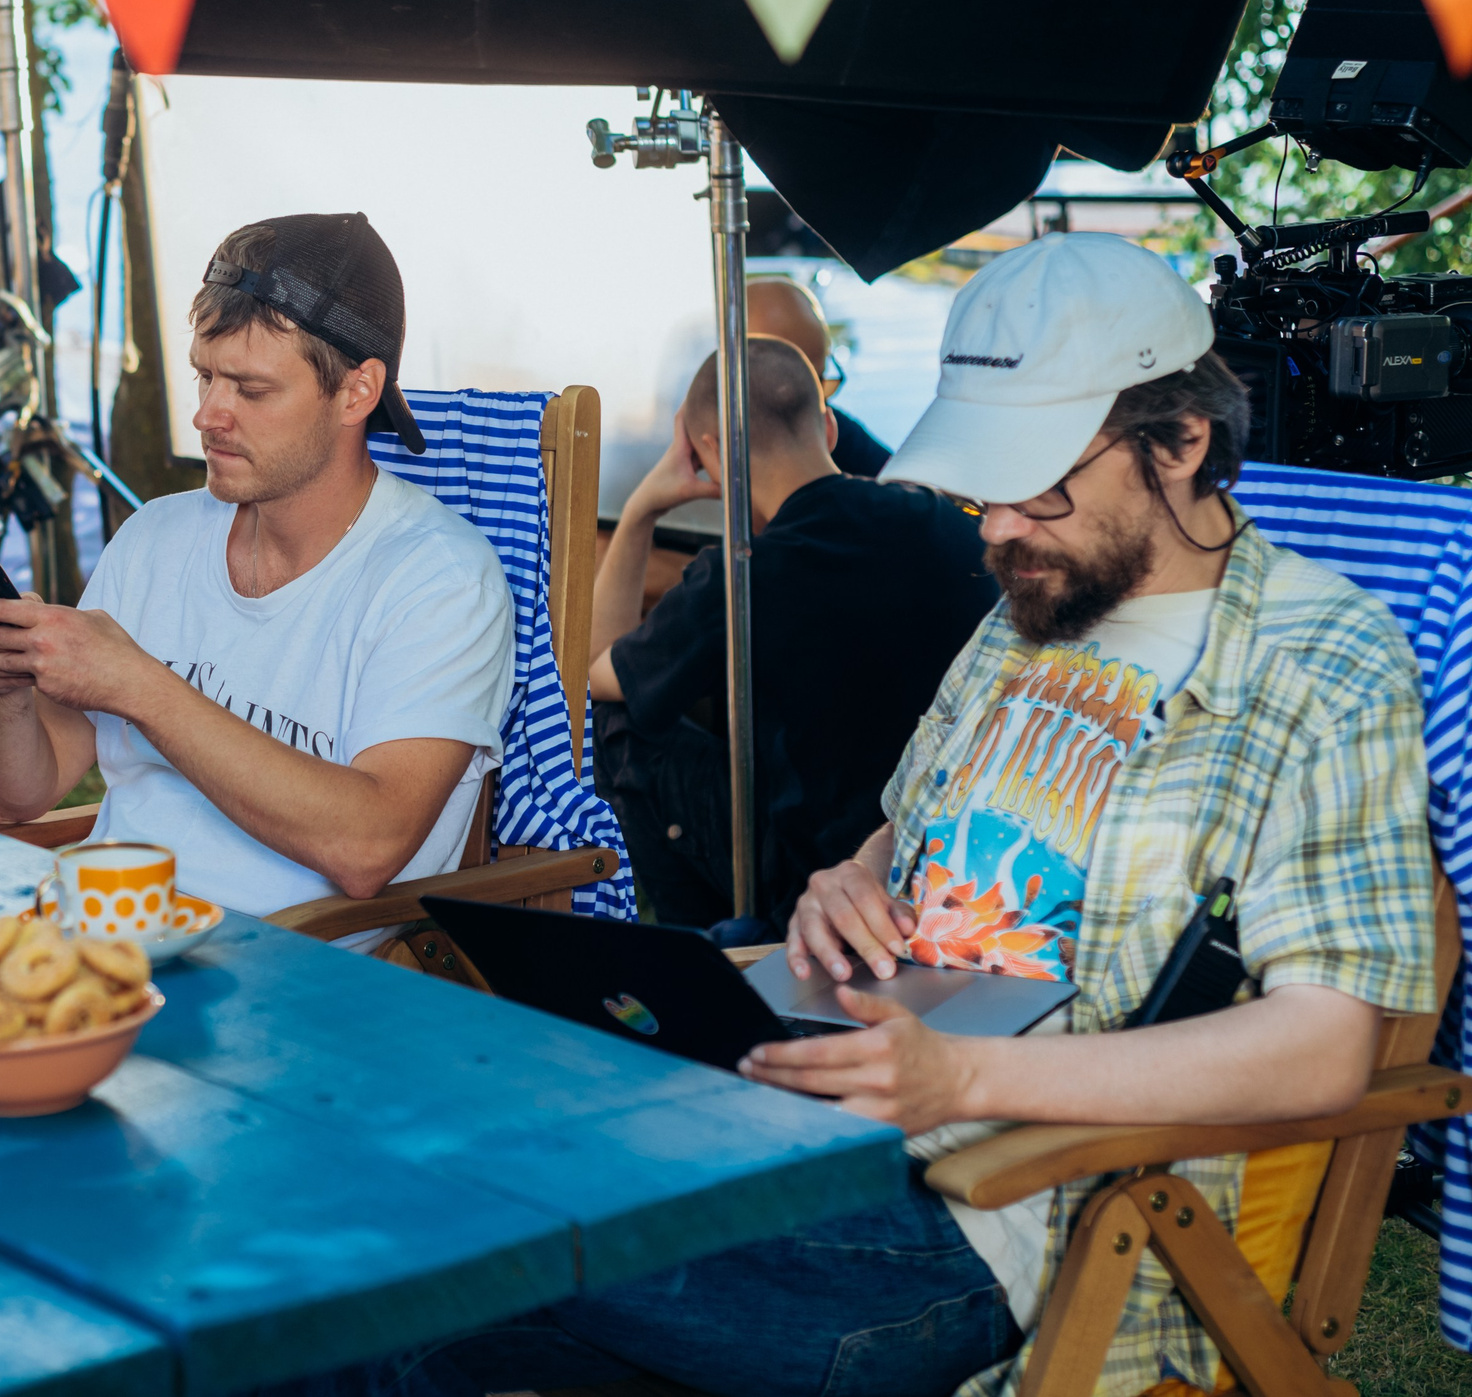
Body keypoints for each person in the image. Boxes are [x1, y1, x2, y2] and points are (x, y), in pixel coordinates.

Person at [251, 233, 1436, 1397]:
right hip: (808, 1106)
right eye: (983, 488)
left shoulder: (1320, 663)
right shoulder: (1028, 611)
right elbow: (904, 832)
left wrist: (963, 1081)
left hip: (1000, 1212)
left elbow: (1327, 1038)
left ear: (1179, 442)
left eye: (1033, 489)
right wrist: (851, 880)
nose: (994, 527)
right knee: (378, 1228)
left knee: (413, 1225)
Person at [0, 213, 514, 931]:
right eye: (204, 375)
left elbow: (368, 844)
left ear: (357, 392)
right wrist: (6, 690)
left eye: (250, 390)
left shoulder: (438, 579)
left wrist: (140, 685)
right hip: (101, 937)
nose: (207, 415)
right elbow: (16, 798)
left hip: (287, 977)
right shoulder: (156, 537)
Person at [588, 335, 997, 931]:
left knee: (617, 726)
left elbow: (598, 674)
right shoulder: (947, 523)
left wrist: (642, 509)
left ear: (708, 452)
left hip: (810, 879)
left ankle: (708, 949)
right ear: (829, 429)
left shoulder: (742, 574)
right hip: (945, 848)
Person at [747, 274, 891, 476]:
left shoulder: (834, 430)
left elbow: (907, 486)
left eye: (819, 385)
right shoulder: (706, 470)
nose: (815, 409)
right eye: (790, 393)